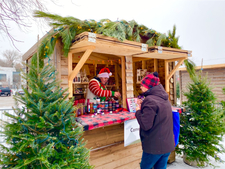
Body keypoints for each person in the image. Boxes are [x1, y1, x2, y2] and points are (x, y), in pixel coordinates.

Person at [135, 72, 174, 169]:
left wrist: (138, 112)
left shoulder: (150, 100)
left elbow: (145, 124)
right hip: (166, 144)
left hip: (154, 147)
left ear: (148, 86)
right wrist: (143, 105)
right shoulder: (164, 98)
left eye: (142, 85)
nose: (140, 87)